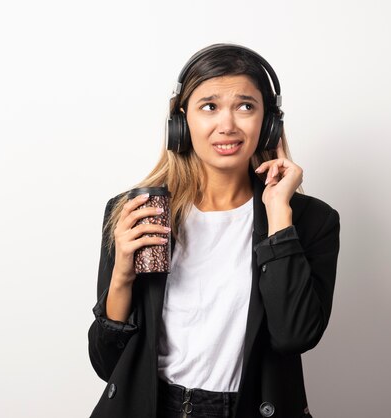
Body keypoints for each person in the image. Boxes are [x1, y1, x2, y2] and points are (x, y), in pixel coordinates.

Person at [87, 43, 341, 418]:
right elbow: (109, 366)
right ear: (181, 122)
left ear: (269, 123)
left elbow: (295, 335)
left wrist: (278, 214)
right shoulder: (141, 211)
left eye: (245, 106)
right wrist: (122, 275)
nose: (228, 125)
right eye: (209, 106)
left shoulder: (309, 220)